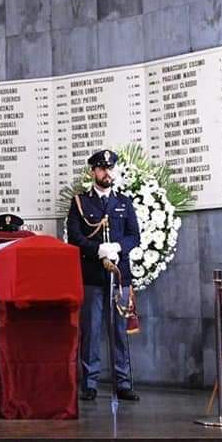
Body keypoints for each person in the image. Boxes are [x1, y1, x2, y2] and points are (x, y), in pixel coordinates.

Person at [66, 149, 141, 402]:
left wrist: (119, 247)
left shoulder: (123, 202)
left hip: (120, 277)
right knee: (92, 330)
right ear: (93, 172)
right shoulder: (80, 202)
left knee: (120, 331)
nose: (106, 172)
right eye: (101, 168)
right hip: (92, 276)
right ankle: (89, 383)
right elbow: (74, 237)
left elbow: (134, 236)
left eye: (110, 168)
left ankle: (123, 383)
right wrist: (96, 249)